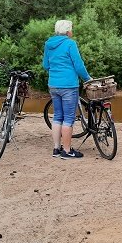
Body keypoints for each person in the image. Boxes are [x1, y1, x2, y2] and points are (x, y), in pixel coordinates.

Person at [42, 20, 92, 159]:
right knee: (69, 118)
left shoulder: (48, 44)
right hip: (69, 85)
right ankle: (67, 151)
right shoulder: (70, 43)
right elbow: (78, 65)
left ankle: (57, 149)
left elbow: (46, 65)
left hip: (53, 84)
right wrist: (87, 78)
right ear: (68, 31)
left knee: (58, 116)